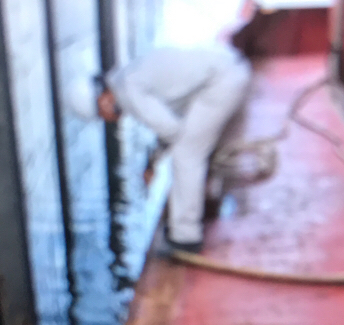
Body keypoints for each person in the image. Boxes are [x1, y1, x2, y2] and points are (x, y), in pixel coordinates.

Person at [94, 40, 252, 253]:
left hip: (222, 81)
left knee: (186, 154)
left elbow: (170, 129)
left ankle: (185, 237)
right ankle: (191, 218)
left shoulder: (128, 92)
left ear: (103, 101)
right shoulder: (128, 76)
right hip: (229, 67)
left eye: (100, 115)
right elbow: (171, 121)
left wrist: (154, 161)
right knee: (191, 145)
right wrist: (152, 162)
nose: (107, 120)